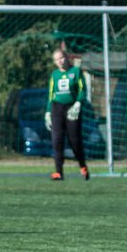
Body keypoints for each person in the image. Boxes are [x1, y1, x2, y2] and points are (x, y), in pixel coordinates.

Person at [47, 48, 89, 181]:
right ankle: (59, 172)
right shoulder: (54, 75)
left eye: (61, 57)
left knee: (74, 141)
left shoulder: (75, 71)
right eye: (57, 59)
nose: (60, 61)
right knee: (57, 140)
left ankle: (83, 166)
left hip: (71, 108)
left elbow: (82, 89)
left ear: (66, 57)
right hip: (57, 109)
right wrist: (48, 112)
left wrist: (78, 103)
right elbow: (51, 94)